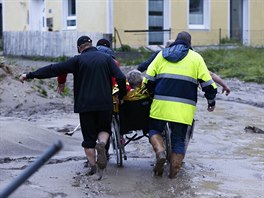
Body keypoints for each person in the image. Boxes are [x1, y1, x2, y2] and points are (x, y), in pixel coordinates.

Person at [19, 35, 127, 176]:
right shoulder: (107, 59)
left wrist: (30, 75)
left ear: (78, 48)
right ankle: (101, 144)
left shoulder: (77, 60)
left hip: (85, 105)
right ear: (91, 44)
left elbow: (53, 69)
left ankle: (94, 168)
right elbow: (121, 77)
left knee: (88, 139)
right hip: (105, 104)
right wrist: (122, 95)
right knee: (104, 129)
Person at [143, 31, 217, 178]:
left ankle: (160, 152)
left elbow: (148, 80)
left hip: (161, 105)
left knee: (154, 130)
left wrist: (153, 94)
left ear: (176, 41)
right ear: (190, 44)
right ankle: (173, 177)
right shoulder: (196, 58)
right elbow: (208, 84)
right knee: (178, 140)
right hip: (184, 109)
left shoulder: (161, 55)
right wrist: (211, 101)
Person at [138, 40, 231, 96]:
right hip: (184, 96)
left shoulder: (159, 55)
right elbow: (210, 74)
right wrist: (224, 85)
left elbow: (143, 67)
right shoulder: (189, 58)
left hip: (161, 94)